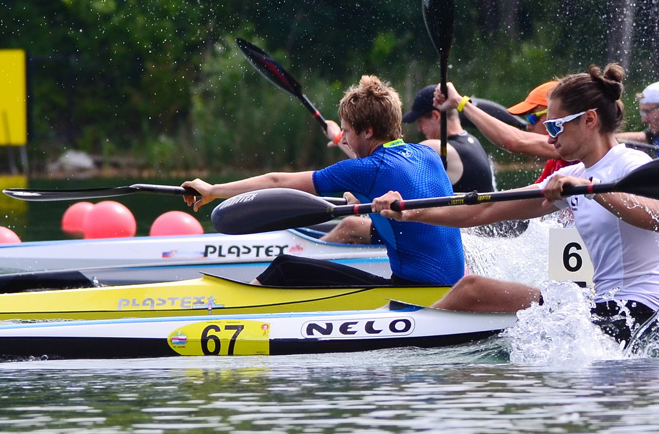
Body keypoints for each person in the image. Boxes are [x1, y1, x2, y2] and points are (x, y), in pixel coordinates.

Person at [375, 65, 659, 343]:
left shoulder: (631, 163)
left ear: (589, 120)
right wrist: (409, 211)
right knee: (472, 288)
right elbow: (486, 209)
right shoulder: (571, 175)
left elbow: (658, 217)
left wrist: (591, 190)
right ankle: (408, 338)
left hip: (644, 315)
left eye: (555, 127)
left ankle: (406, 342)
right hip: (604, 306)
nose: (550, 137)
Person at [182, 75, 465, 287]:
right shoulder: (427, 153)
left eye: (347, 133)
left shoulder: (367, 169)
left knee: (285, 268)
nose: (347, 141)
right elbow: (417, 227)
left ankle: (230, 313)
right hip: (449, 284)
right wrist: (365, 197)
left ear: (367, 131)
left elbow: (278, 180)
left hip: (417, 292)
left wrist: (214, 190)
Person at [433, 80, 566, 184]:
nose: (528, 126)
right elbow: (526, 203)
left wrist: (459, 102)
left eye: (532, 118)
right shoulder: (555, 164)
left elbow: (514, 142)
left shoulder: (567, 147)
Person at [402, 85, 496, 193]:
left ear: (436, 116)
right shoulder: (474, 141)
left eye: (420, 121)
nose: (419, 129)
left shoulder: (435, 147)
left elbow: (394, 164)